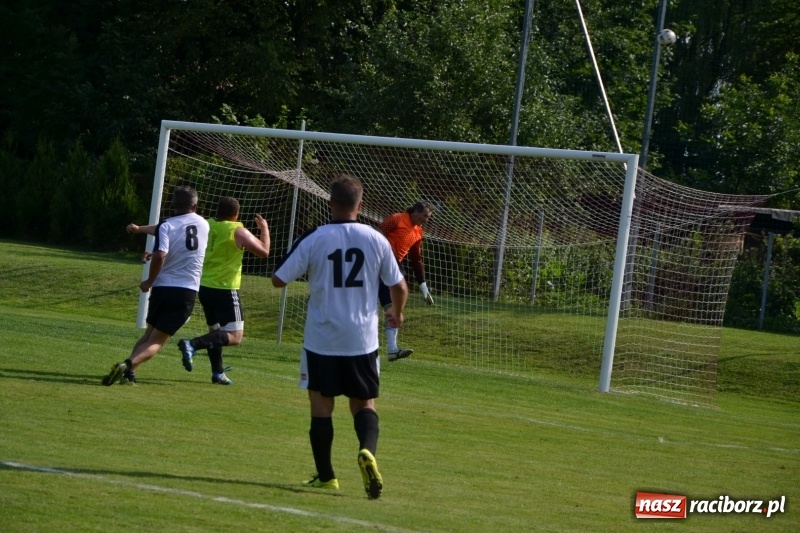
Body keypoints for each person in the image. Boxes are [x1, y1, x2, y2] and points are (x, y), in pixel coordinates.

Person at [272, 174, 408, 499]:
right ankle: (367, 451)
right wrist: (397, 313)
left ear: (330, 203)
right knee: (364, 404)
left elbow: (278, 279)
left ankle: (327, 476)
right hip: (362, 340)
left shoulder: (315, 237)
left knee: (321, 408)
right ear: (360, 206)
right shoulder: (376, 239)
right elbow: (399, 286)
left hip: (322, 338)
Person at [127, 197, 271, 385]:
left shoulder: (205, 225)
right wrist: (264, 229)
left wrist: (139, 229)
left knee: (215, 331)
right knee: (235, 336)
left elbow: (167, 229)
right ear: (236, 214)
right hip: (225, 288)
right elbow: (264, 251)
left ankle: (217, 372)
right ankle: (192, 344)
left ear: (217, 211)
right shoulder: (237, 230)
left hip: (203, 288)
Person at [102, 185, 209, 386]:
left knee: (148, 335)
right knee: (157, 341)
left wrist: (150, 281)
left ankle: (129, 374)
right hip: (185, 291)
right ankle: (127, 364)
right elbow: (164, 253)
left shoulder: (166, 225)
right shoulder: (204, 224)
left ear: (172, 205)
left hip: (162, 289)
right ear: (195, 206)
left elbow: (162, 246)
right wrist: (153, 266)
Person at [378, 200, 435, 361]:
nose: (426, 219)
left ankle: (392, 349)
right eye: (425, 215)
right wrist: (391, 258)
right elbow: (378, 234)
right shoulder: (397, 218)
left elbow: (416, 259)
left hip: (390, 271)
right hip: (377, 264)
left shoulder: (418, 232)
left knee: (392, 307)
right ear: (415, 211)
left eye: (428, 217)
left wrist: (423, 286)